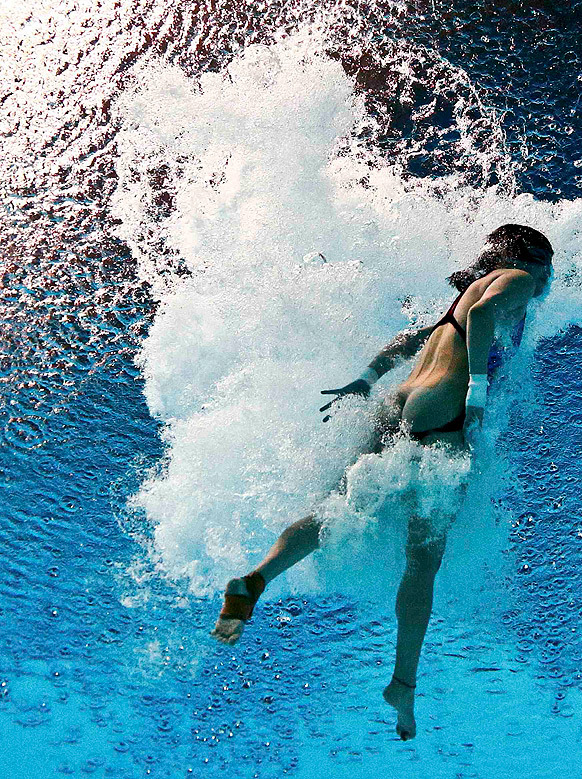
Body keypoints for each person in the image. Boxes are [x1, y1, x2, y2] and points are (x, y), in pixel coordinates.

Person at [212, 223, 554, 741]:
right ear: (534, 258)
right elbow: (486, 316)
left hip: (398, 401)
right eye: (549, 263)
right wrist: (477, 394)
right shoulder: (516, 280)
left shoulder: (463, 295)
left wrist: (367, 378)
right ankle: (402, 683)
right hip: (442, 418)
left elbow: (411, 340)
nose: (551, 276)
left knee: (337, 511)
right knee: (423, 558)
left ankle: (254, 579)